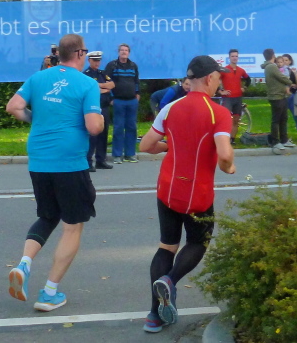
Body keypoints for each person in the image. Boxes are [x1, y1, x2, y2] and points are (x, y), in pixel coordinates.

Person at [5, 33, 104, 313]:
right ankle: (49, 293)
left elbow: (13, 106)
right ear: (80, 54)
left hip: (39, 160)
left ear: (59, 54)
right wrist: (99, 119)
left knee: (48, 216)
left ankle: (24, 264)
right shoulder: (87, 83)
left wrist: (35, 117)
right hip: (69, 162)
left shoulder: (38, 78)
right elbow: (93, 127)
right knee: (73, 226)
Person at [138, 55, 236, 333]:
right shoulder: (219, 112)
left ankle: (154, 316)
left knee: (167, 246)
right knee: (198, 242)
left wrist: (170, 147)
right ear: (209, 79)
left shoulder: (170, 107)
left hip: (168, 188)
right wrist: (228, 167)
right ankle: (170, 280)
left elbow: (146, 146)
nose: (219, 82)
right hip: (197, 193)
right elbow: (225, 154)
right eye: (218, 78)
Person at [104, 43, 140, 164]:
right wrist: (111, 98)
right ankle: (117, 155)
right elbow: (107, 82)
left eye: (126, 50)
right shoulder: (112, 65)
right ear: (118, 52)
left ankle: (130, 154)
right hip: (118, 101)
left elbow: (136, 81)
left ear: (129, 53)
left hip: (132, 101)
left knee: (132, 128)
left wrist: (137, 94)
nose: (124, 52)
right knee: (118, 128)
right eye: (122, 50)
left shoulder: (133, 66)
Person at [83, 51, 115, 171]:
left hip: (105, 107)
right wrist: (103, 87)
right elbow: (90, 89)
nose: (97, 63)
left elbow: (112, 85)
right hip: (93, 108)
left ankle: (101, 160)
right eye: (94, 60)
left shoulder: (102, 73)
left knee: (103, 134)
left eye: (98, 60)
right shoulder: (86, 74)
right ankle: (88, 161)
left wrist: (98, 86)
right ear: (89, 60)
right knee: (92, 135)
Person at [261, 48, 293, 152]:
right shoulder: (271, 67)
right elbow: (281, 77)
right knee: (276, 120)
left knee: (283, 118)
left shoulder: (270, 66)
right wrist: (290, 82)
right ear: (273, 56)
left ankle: (284, 140)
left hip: (281, 96)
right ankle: (275, 141)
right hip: (276, 96)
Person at [218, 49, 251, 144]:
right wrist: (221, 91)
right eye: (232, 56)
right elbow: (215, 80)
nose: (234, 58)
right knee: (226, 119)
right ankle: (224, 139)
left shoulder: (241, 70)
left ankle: (232, 139)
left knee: (236, 120)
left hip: (238, 98)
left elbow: (248, 80)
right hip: (228, 98)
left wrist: (244, 88)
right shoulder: (225, 70)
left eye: (236, 56)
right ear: (229, 57)